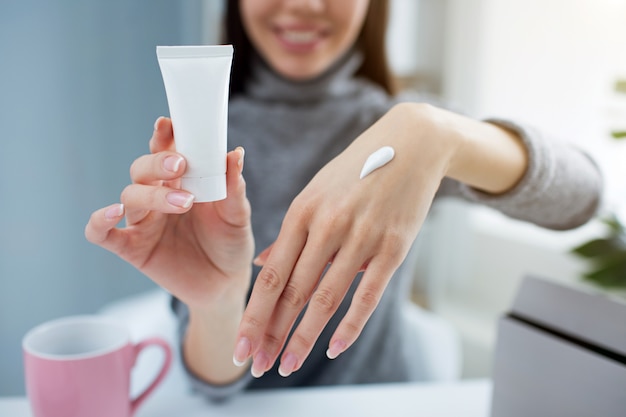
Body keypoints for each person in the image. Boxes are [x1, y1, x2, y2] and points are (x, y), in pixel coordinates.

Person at [85, 0, 602, 401]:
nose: (306, 5)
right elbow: (215, 386)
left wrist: (441, 135)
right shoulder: (205, 146)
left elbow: (582, 196)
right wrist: (216, 304)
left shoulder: (408, 136)